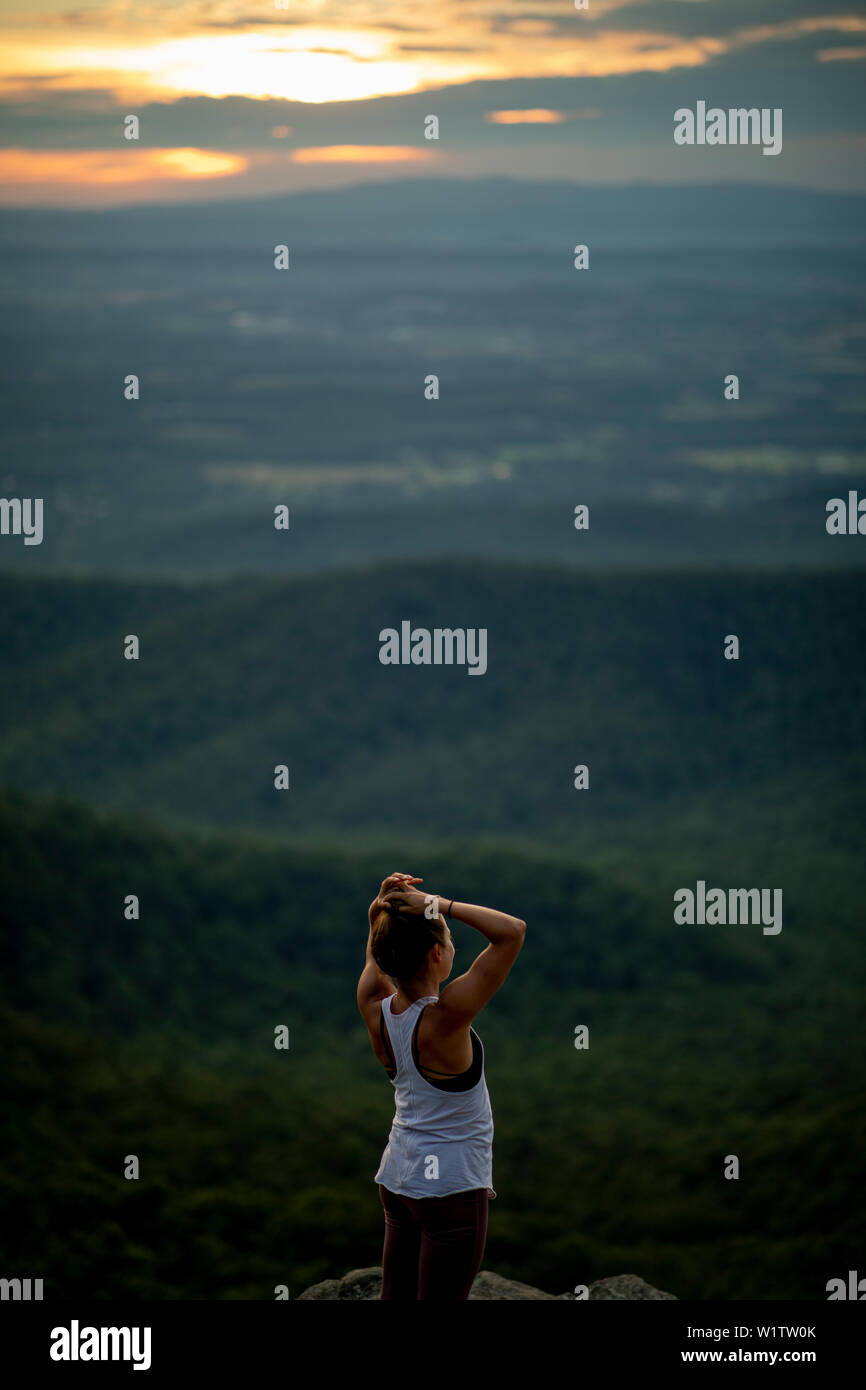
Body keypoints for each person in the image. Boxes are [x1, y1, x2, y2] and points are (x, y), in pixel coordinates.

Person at [357, 870, 526, 1300]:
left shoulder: (375, 1008)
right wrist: (437, 903)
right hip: (450, 1187)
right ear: (437, 954)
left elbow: (377, 958)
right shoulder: (446, 1019)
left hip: (398, 1177)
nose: (452, 946)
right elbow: (511, 933)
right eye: (449, 940)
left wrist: (381, 911)